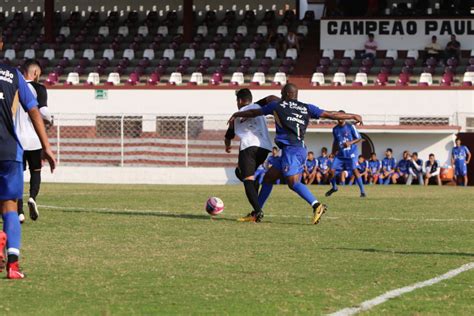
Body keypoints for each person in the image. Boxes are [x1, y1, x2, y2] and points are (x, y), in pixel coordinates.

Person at [228, 83, 363, 224]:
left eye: (281, 93)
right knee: (269, 177)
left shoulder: (278, 105)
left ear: (286, 94)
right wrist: (352, 115)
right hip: (294, 149)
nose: (280, 95)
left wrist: (237, 113)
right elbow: (331, 114)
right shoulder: (306, 107)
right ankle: (256, 213)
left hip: (292, 150)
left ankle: (317, 205)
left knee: (293, 182)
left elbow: (254, 112)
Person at [0, 33, 56, 279]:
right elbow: (34, 111)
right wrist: (47, 147)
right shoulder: (14, 75)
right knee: (10, 207)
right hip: (10, 151)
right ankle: (13, 265)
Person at [225, 89, 274, 222]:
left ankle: (257, 212)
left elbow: (229, 134)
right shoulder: (258, 106)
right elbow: (270, 97)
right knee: (242, 173)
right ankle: (255, 190)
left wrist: (227, 145)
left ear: (240, 101)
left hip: (249, 147)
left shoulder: (236, 115)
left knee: (246, 178)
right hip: (264, 148)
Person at [16, 59, 52, 223]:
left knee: (17, 175)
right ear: (36, 73)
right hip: (35, 140)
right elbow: (43, 112)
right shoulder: (39, 88)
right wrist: (50, 121)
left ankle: (19, 211)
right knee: (35, 171)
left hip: (17, 139)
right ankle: (32, 198)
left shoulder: (15, 87)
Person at [325, 112, 366, 198]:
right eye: (338, 116)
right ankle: (334, 187)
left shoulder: (350, 126)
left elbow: (359, 138)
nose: (340, 118)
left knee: (355, 170)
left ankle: (362, 192)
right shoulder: (335, 129)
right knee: (331, 171)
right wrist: (333, 152)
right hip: (340, 155)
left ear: (345, 117)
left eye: (342, 116)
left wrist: (350, 142)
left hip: (351, 153)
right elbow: (335, 142)